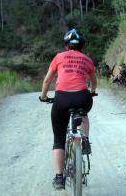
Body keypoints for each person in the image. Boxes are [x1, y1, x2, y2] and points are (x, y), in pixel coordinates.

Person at [39, 28, 97, 190]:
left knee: (58, 139)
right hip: (82, 97)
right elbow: (93, 81)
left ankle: (59, 178)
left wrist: (44, 96)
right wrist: (91, 93)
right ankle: (84, 139)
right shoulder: (87, 59)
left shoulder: (59, 57)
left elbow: (47, 81)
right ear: (82, 46)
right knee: (83, 112)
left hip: (62, 99)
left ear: (66, 46)